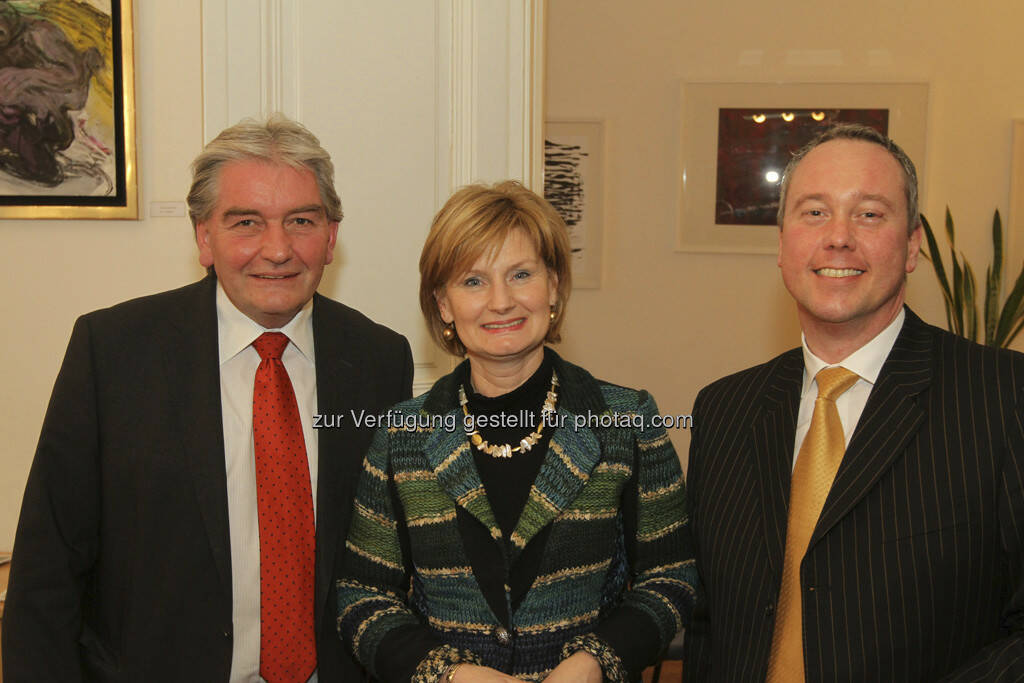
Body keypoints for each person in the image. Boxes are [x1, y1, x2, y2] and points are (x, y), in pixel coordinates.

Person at [2, 115, 414, 682]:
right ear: (203, 238)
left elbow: (396, 558)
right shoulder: (113, 352)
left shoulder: (379, 360)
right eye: (247, 222)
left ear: (332, 237)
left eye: (301, 220)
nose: (278, 249)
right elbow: (48, 566)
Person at [684, 123, 1024, 681]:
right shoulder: (724, 409)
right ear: (781, 241)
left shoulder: (1003, 399)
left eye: (869, 213)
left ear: (912, 245)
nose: (838, 237)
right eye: (814, 212)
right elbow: (709, 624)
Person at [336, 181, 697, 683]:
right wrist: (448, 675)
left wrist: (596, 661)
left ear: (553, 285)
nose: (501, 302)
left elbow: (672, 577)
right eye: (473, 281)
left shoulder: (628, 421)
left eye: (520, 274)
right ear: (443, 304)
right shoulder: (402, 436)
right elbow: (362, 595)